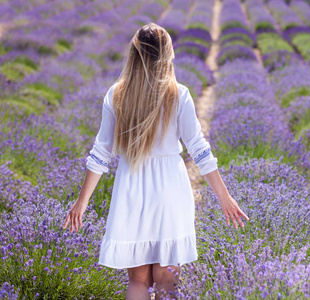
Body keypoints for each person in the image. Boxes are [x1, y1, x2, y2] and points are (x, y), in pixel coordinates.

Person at [62, 23, 249, 300]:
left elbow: (100, 154)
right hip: (170, 190)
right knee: (167, 282)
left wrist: (82, 202)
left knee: (138, 280)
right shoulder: (178, 94)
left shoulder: (117, 94)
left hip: (131, 188)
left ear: (134, 56)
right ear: (167, 55)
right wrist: (225, 198)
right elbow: (199, 149)